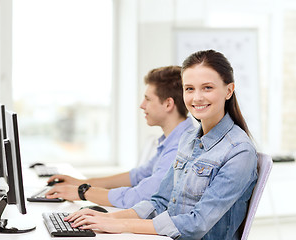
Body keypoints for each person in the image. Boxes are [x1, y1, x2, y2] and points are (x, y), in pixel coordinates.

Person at [63, 50, 258, 240]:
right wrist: (107, 218)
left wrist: (119, 225)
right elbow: (160, 201)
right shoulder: (188, 138)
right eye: (189, 88)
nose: (197, 97)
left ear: (229, 90)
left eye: (207, 88)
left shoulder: (239, 151)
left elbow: (196, 224)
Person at [45, 66, 194, 208]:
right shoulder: (172, 139)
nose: (142, 105)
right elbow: (138, 175)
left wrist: (82, 192)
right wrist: (82, 182)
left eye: (148, 99)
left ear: (168, 104)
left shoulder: (182, 146)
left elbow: (140, 196)